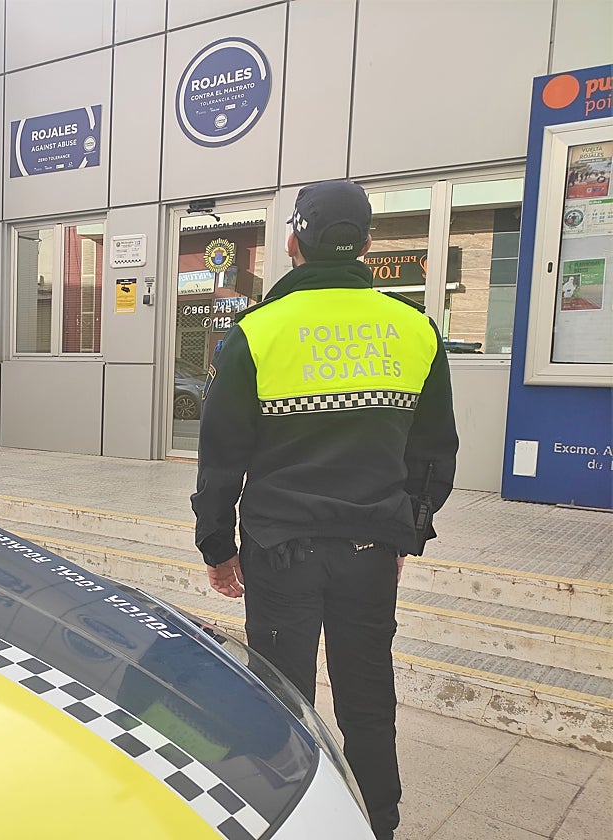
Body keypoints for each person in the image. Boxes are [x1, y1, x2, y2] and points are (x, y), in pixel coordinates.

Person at [191, 179, 458, 840]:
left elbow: (222, 456)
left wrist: (217, 547)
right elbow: (433, 452)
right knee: (369, 700)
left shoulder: (258, 332)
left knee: (282, 700)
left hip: (279, 556)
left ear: (294, 241)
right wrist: (406, 533)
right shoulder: (414, 329)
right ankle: (381, 824)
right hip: (369, 553)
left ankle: (286, 821)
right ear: (368, 243)